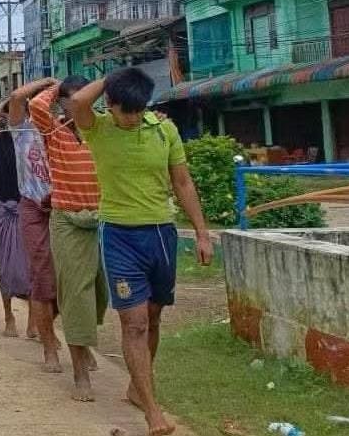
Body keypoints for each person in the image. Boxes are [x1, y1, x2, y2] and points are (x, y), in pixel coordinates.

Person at [68, 67, 212, 435]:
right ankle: (152, 412)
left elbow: (182, 180)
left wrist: (201, 232)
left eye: (137, 110)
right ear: (110, 105)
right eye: (124, 110)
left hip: (161, 232)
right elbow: (79, 100)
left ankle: (137, 387)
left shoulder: (164, 129)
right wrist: (117, 77)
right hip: (118, 234)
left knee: (154, 316)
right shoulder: (97, 129)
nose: (131, 118)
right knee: (134, 323)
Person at [24, 76, 102, 388]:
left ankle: (84, 344)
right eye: (73, 100)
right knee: (75, 294)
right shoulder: (53, 130)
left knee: (99, 294)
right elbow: (34, 104)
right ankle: (79, 370)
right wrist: (56, 87)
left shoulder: (102, 128)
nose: (80, 105)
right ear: (62, 102)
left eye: (86, 99)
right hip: (67, 219)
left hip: (101, 219)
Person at [0, 99, 31, 337]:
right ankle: (8, 316)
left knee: (33, 264)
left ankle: (34, 320)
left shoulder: (30, 135)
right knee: (3, 262)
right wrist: (7, 101)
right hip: (1, 204)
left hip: (27, 204)